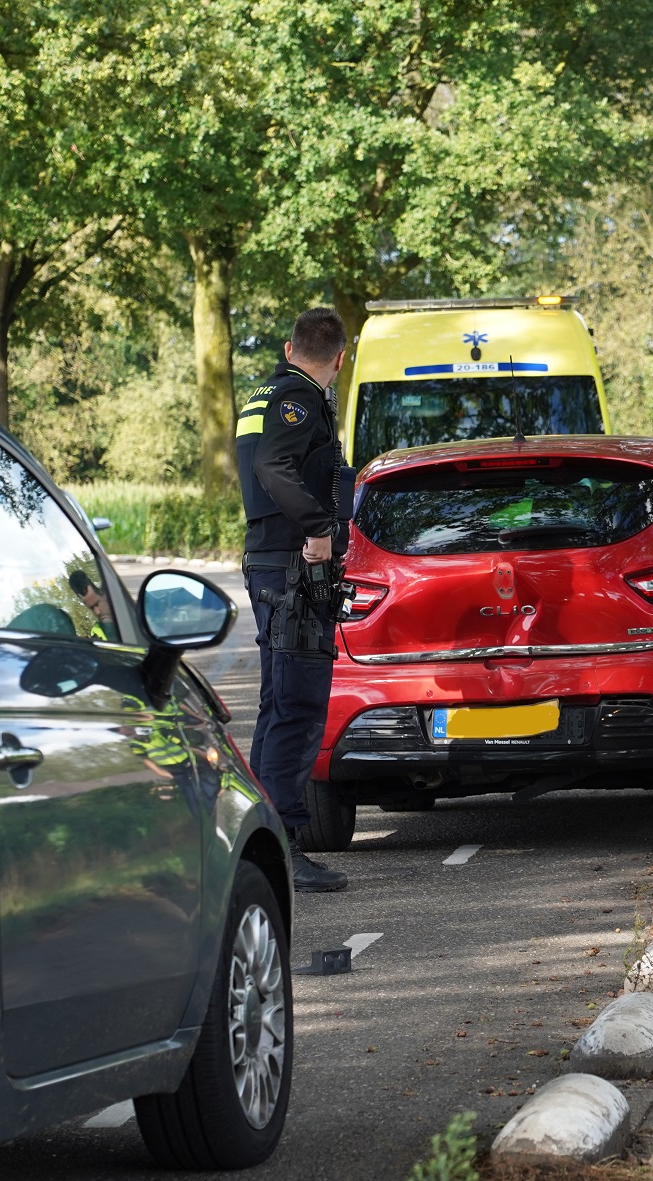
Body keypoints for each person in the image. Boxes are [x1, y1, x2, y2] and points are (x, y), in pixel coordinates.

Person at [235, 307, 352, 893]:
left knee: (277, 705)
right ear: (340, 358)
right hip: (292, 571)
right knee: (299, 707)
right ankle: (283, 845)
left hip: (269, 566)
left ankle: (261, 841)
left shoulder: (264, 393)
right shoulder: (300, 400)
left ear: (288, 347)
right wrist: (317, 529)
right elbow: (272, 465)